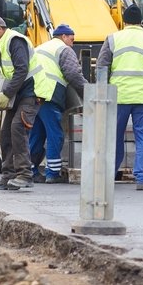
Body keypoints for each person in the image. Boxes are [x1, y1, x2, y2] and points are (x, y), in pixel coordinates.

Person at [97, 5, 143, 190]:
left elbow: (101, 68)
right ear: (141, 22)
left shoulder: (113, 39)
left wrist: (101, 95)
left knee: (114, 137)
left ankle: (108, 177)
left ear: (124, 20)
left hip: (117, 97)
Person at [0, 14, 55, 190]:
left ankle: (24, 174)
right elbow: (7, 73)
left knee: (18, 128)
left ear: (0, 28)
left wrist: (6, 93)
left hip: (32, 91)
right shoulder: (0, 45)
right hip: (19, 93)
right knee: (5, 133)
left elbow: (22, 70)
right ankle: (8, 176)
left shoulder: (15, 41)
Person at [29, 24, 88, 183]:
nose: (72, 43)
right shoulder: (63, 49)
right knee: (55, 134)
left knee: (37, 133)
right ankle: (52, 173)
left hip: (33, 94)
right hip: (49, 93)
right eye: (72, 39)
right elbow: (73, 74)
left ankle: (30, 170)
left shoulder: (39, 48)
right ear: (63, 36)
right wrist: (89, 93)